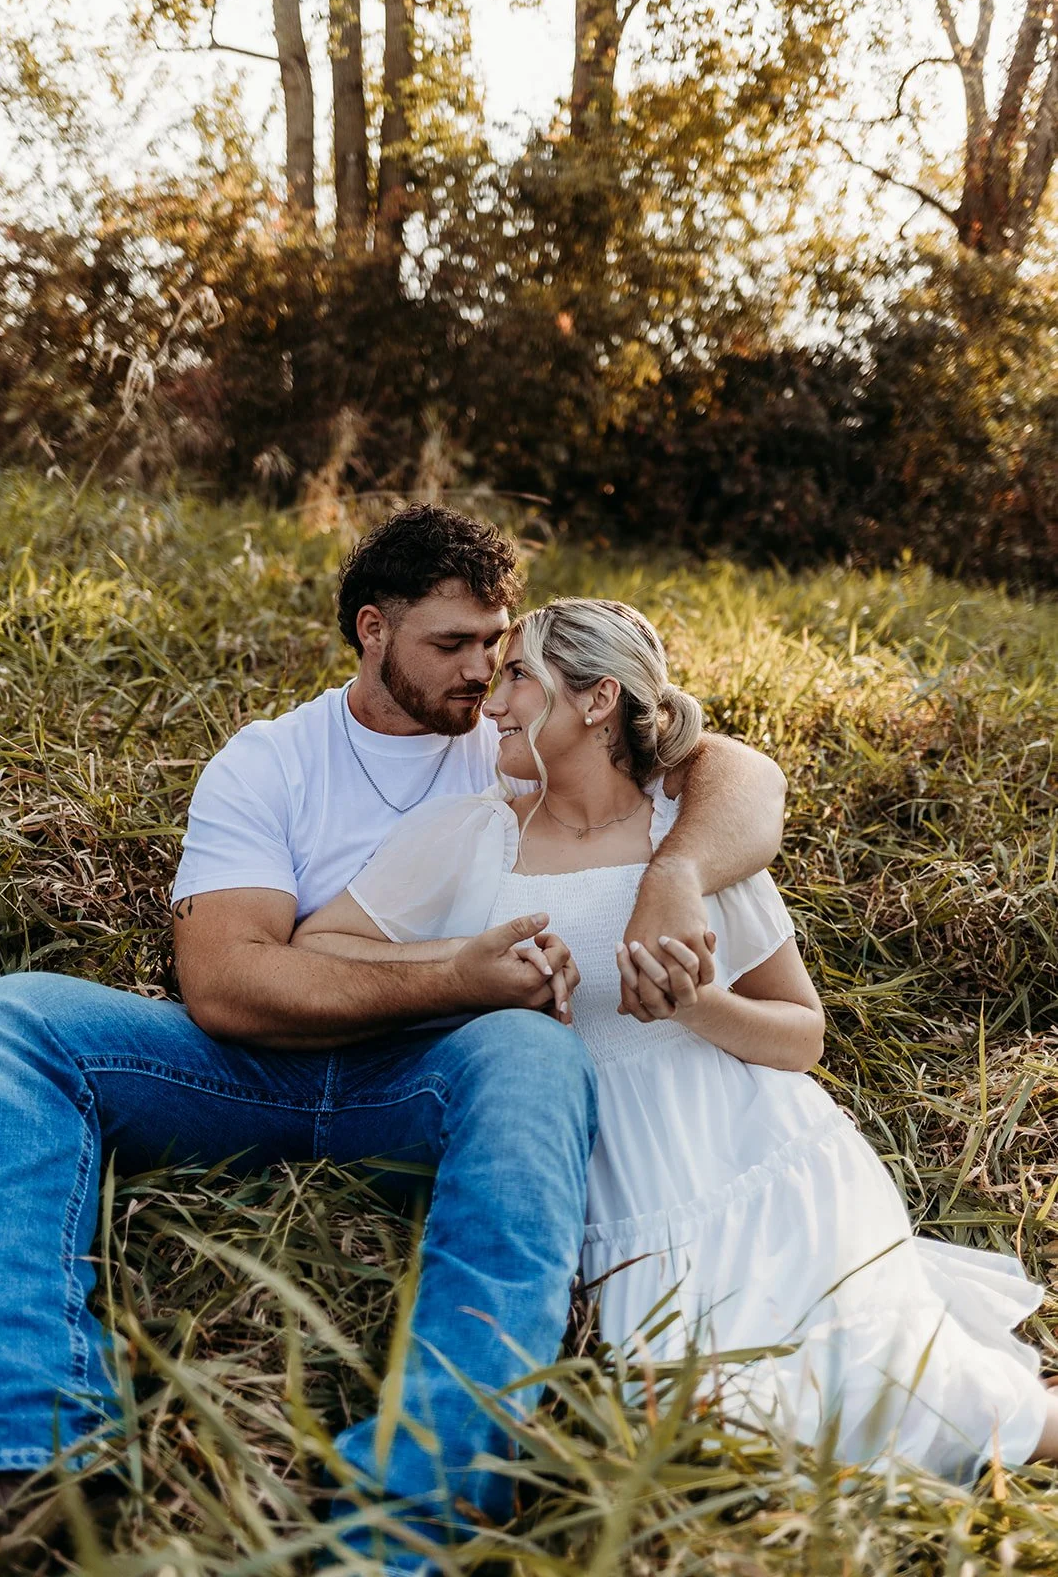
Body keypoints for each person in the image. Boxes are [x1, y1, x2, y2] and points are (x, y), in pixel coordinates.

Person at [0, 506, 787, 1559]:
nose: (481, 675)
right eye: (450, 644)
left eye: (498, 648)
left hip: (443, 1078)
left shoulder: (518, 742)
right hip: (251, 1067)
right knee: (22, 1015)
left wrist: (673, 875)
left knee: (532, 1052)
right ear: (372, 629)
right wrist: (451, 974)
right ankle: (34, 1443)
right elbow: (226, 985)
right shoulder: (270, 762)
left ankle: (409, 1507)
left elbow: (743, 775)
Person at [296, 594, 1058, 1486]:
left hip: (756, 1159)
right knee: (711, 1430)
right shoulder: (472, 835)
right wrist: (465, 969)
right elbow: (324, 949)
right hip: (602, 1176)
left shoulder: (684, 846)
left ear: (594, 700)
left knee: (935, 1404)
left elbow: (800, 1033)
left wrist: (696, 1004)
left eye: (517, 676)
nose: (492, 703)